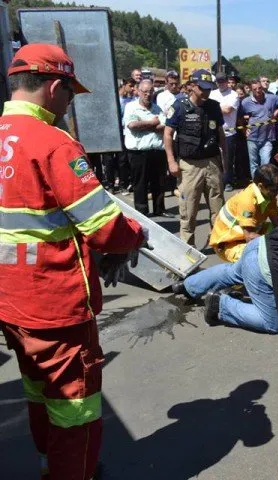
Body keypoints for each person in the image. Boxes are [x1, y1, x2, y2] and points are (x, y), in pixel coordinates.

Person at [0, 44, 146, 480]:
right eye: (70, 94)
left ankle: (50, 463)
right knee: (75, 407)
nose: (70, 103)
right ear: (55, 86)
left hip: (10, 301)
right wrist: (135, 234)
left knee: (38, 392)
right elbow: (105, 228)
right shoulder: (52, 143)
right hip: (55, 302)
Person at [164, 69, 226, 247]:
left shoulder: (214, 107)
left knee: (217, 209)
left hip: (212, 163)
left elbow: (221, 136)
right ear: (192, 86)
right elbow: (168, 135)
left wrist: (226, 163)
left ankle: (217, 243)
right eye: (202, 88)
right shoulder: (179, 107)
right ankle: (187, 251)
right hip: (189, 166)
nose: (206, 92)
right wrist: (171, 161)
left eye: (209, 89)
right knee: (188, 211)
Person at [207, 163, 278, 262]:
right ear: (261, 186)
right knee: (261, 259)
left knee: (277, 232)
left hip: (248, 234)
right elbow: (250, 237)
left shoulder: (269, 195)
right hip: (229, 244)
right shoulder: (247, 200)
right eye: (274, 190)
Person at [123, 79, 170, 217]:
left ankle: (159, 209)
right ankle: (142, 212)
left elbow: (164, 125)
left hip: (157, 151)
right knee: (140, 183)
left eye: (150, 92)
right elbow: (132, 125)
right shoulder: (131, 107)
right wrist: (152, 123)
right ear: (138, 91)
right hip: (139, 152)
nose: (147, 95)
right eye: (144, 92)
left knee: (159, 182)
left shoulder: (157, 108)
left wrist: (145, 124)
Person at [241, 79, 278, 177]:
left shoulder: (272, 98)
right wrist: (244, 130)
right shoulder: (245, 102)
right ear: (251, 90)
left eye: (259, 88)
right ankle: (257, 185)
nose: (258, 90)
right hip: (252, 138)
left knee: (266, 162)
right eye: (255, 89)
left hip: (267, 138)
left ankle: (265, 184)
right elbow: (239, 117)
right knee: (254, 164)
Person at [210, 72, 240, 192]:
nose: (221, 83)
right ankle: (216, 182)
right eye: (218, 81)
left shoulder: (234, 94)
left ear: (227, 81)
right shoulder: (212, 93)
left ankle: (228, 181)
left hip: (228, 132)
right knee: (215, 159)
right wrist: (218, 108)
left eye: (223, 81)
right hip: (214, 131)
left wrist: (214, 107)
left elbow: (228, 110)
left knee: (227, 159)